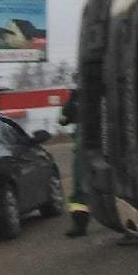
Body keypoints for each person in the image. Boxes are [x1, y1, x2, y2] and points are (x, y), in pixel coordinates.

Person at [58, 93, 91, 238]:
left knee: (81, 187)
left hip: (93, 143)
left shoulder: (79, 95)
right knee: (79, 188)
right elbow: (63, 120)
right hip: (87, 145)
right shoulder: (76, 96)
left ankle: (80, 225)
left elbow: (63, 119)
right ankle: (79, 224)